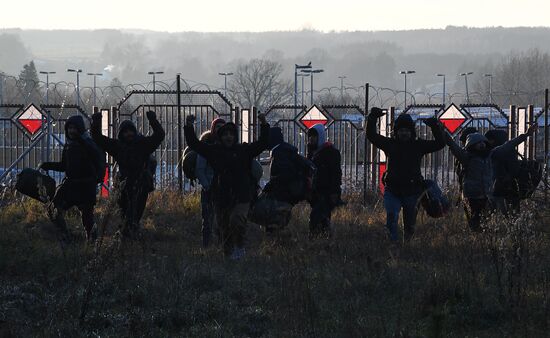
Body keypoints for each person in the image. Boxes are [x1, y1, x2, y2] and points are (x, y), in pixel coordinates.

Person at [184, 113, 269, 260]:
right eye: (225, 134)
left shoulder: (243, 150)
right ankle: (228, 255)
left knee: (237, 219)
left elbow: (262, 143)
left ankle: (240, 247)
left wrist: (264, 124)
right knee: (224, 227)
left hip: (242, 194)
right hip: (221, 195)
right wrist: (189, 125)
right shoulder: (214, 151)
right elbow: (194, 144)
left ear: (235, 136)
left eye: (231, 134)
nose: (228, 137)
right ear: (220, 137)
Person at [367, 107, 445, 243]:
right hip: (393, 190)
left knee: (410, 225)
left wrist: (434, 127)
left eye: (407, 131)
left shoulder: (418, 145)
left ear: (412, 131)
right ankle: (393, 245)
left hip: (412, 191)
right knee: (392, 216)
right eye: (401, 130)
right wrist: (373, 117)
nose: (404, 133)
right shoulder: (390, 144)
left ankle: (406, 246)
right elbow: (372, 136)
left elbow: (440, 143)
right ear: (397, 131)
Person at [445, 124, 536, 231]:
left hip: (487, 195)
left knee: (484, 223)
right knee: (474, 223)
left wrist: (525, 135)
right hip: (472, 196)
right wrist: (442, 132)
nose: (482, 145)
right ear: (472, 145)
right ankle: (476, 240)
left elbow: (509, 145)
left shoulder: (491, 155)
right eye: (478, 143)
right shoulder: (467, 157)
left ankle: (483, 241)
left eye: (483, 142)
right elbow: (453, 146)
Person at [91, 110, 165, 239]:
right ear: (121, 134)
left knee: (135, 214)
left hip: (140, 184)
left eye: (130, 131)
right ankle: (127, 235)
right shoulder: (118, 146)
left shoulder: (143, 144)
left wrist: (153, 120)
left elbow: (159, 135)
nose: (128, 134)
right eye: (125, 132)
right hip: (123, 185)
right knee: (125, 213)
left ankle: (131, 235)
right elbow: (98, 138)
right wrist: (96, 122)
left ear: (134, 132)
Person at [39, 115, 104, 242]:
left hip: (86, 185)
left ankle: (92, 242)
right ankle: (67, 236)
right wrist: (48, 165)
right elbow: (64, 166)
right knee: (54, 209)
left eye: (74, 128)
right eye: (69, 128)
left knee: (87, 219)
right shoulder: (69, 145)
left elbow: (98, 159)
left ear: (80, 129)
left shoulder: (88, 143)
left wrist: (96, 180)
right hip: (70, 185)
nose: (71, 131)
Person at [262, 126, 314, 232]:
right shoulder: (285, 150)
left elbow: (282, 175)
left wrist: (270, 186)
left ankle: (276, 244)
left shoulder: (278, 153)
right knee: (280, 221)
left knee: (275, 224)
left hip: (283, 194)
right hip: (290, 193)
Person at [306, 124, 342, 239]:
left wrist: (334, 192)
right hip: (315, 193)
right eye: (310, 136)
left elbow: (336, 174)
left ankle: (315, 241)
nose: (311, 139)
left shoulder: (330, 153)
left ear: (320, 137)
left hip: (326, 192)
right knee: (323, 219)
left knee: (316, 218)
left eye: (314, 136)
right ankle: (325, 242)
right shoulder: (312, 152)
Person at [195, 118, 226, 247]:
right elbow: (200, 169)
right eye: (217, 127)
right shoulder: (206, 145)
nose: (219, 130)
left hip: (224, 189)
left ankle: (222, 246)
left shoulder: (229, 146)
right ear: (213, 129)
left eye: (222, 127)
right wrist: (207, 186)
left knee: (223, 220)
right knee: (207, 220)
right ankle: (206, 247)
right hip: (209, 189)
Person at [484, 129, 521, 214]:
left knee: (503, 211)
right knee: (512, 212)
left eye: (490, 140)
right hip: (508, 186)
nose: (488, 142)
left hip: (503, 186)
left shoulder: (500, 152)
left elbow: (511, 169)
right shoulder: (508, 151)